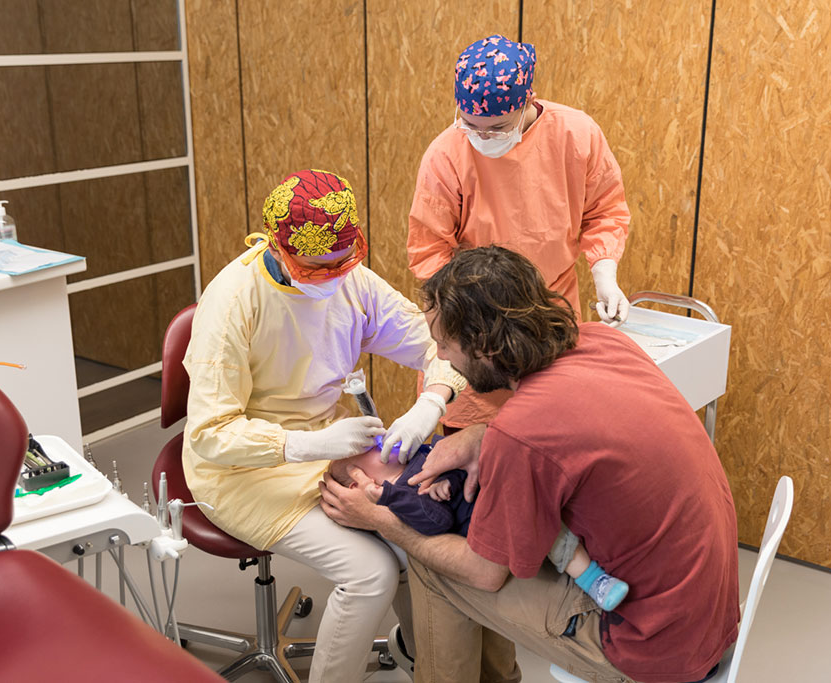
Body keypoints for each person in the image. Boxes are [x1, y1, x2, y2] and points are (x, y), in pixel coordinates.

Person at [320, 246, 740, 683]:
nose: (441, 357)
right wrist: (482, 437)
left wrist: (380, 519)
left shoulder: (522, 434)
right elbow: (571, 426)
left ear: (483, 346)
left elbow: (485, 573)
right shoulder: (604, 341)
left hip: (648, 647)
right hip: (707, 618)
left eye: (444, 343)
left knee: (431, 559)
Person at [181, 169, 468, 682]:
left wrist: (432, 400)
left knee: (418, 530)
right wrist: (304, 444)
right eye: (318, 268)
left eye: (344, 261)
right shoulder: (232, 304)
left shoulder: (349, 279)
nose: (335, 277)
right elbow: (210, 434)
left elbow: (436, 341)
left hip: (329, 441)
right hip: (242, 470)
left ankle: (418, 654)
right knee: (370, 573)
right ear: (280, 248)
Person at [406, 33, 632, 435]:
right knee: (471, 470)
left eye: (496, 128)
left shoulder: (575, 136)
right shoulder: (447, 154)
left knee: (548, 438)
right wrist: (469, 326)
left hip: (550, 314)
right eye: (470, 125)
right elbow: (429, 253)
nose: (482, 138)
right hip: (477, 332)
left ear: (526, 101)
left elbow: (605, 210)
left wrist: (605, 274)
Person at [329, 446, 630, 611]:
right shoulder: (399, 498)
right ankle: (594, 581)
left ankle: (613, 556)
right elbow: (438, 522)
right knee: (551, 532)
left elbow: (460, 462)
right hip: (493, 519)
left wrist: (451, 480)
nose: (379, 440)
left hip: (496, 488)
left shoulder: (417, 456)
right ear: (361, 479)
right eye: (368, 448)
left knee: (563, 505)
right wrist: (387, 496)